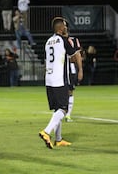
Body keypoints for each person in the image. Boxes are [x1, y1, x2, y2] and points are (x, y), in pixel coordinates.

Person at [39, 17, 83, 149]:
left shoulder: (48, 41)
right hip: (60, 80)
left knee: (57, 109)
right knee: (64, 109)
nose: (66, 28)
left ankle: (58, 139)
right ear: (60, 28)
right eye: (64, 26)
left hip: (49, 79)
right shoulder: (63, 40)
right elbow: (74, 55)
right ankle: (46, 132)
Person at [64, 30, 82, 122]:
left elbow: (77, 54)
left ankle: (68, 115)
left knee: (70, 91)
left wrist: (80, 70)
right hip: (60, 68)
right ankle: (61, 111)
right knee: (61, 91)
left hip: (70, 68)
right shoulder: (57, 40)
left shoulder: (74, 40)